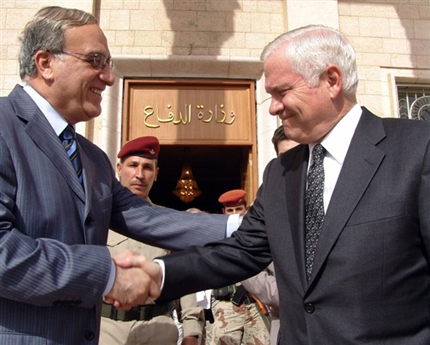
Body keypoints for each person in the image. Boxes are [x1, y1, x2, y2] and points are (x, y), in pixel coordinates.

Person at [119, 24, 430, 344]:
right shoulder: (281, 172)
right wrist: (161, 273)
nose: (273, 107)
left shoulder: (417, 150)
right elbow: (240, 252)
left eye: (282, 92)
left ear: (332, 81)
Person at [0, 6, 237, 344]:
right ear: (45, 63)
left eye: (108, 64)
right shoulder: (4, 126)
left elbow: (149, 220)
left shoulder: (91, 157)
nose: (109, 77)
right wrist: (107, 274)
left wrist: (245, 226)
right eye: (96, 61)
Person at [100, 136, 203, 345]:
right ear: (119, 169)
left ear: (156, 174)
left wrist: (192, 331)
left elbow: (185, 277)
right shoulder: (99, 218)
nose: (139, 175)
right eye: (133, 165)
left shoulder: (169, 221)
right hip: (107, 330)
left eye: (147, 167)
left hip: (158, 329)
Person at [241, 126, 299, 344]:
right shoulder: (267, 208)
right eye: (287, 157)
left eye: (301, 153)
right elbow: (246, 259)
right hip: (286, 325)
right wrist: (285, 295)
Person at [207, 190, 270, 345]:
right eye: (230, 210)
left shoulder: (257, 235)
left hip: (255, 304)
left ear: (246, 209)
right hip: (226, 305)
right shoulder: (216, 235)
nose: (234, 214)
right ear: (223, 212)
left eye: (238, 209)